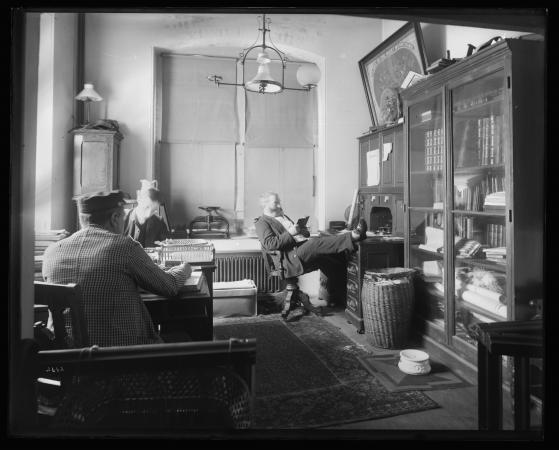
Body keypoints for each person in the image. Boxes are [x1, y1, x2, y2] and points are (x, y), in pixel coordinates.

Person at [42, 190, 192, 347]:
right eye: (123, 216)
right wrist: (185, 268)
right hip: (120, 357)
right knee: (185, 337)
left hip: (68, 357)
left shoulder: (51, 252)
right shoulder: (124, 247)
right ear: (115, 218)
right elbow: (169, 286)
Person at [254, 191, 367, 308]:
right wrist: (291, 232)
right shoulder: (262, 222)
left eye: (279, 202)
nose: (279, 205)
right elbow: (270, 244)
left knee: (333, 258)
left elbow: (303, 235)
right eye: (275, 202)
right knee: (314, 243)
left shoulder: (282, 216)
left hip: (300, 248)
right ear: (265, 203)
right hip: (288, 258)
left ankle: (343, 300)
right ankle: (354, 236)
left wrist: (301, 229)